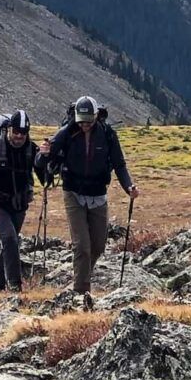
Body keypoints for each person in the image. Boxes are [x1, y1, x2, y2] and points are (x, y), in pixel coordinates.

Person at [41, 95, 137, 310]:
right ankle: (81, 292)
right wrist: (45, 153)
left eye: (88, 121)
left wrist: (129, 187)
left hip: (98, 195)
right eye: (81, 121)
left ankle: (81, 277)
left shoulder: (107, 135)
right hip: (73, 193)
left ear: (96, 117)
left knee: (99, 245)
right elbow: (45, 159)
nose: (84, 125)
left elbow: (119, 164)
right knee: (82, 245)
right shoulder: (68, 132)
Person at [0, 108, 38, 295]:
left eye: (23, 133)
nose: (19, 136)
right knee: (10, 239)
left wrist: (46, 157)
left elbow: (44, 173)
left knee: (9, 243)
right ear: (9, 130)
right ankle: (15, 286)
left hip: (20, 204)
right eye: (16, 132)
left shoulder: (32, 149)